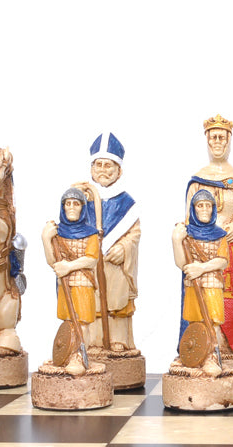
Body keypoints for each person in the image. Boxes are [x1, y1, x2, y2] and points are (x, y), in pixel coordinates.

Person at [182, 114, 233, 367]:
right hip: (203, 249)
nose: (217, 141)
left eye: (222, 137)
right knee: (203, 293)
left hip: (231, 249)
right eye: (213, 137)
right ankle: (204, 345)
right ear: (206, 140)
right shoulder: (197, 180)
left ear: (229, 141)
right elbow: (189, 217)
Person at [74, 132, 142, 352]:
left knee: (118, 299)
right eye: (98, 165)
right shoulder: (81, 198)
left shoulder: (126, 202)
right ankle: (92, 341)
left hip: (115, 264)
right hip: (90, 261)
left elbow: (134, 233)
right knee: (90, 300)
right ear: (92, 169)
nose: (103, 170)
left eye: (108, 165)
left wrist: (124, 248)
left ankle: (119, 339)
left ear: (119, 170)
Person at [172, 190, 230, 377]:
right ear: (193, 209)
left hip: (212, 284)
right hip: (192, 285)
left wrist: (202, 268)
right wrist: (176, 240)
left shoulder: (220, 235)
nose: (204, 209)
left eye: (208, 205)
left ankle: (211, 356)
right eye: (200, 205)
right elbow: (182, 263)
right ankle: (194, 355)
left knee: (212, 321)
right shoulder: (187, 234)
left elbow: (222, 261)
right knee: (194, 321)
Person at [43, 188, 99, 376]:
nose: (72, 207)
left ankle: (80, 357)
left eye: (76, 203)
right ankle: (67, 353)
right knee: (68, 321)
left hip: (83, 283)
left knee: (82, 321)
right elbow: (53, 262)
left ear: (83, 208)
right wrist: (45, 239)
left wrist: (69, 267)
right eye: (68, 203)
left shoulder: (91, 233)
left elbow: (91, 259)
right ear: (63, 207)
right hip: (64, 284)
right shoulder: (58, 233)